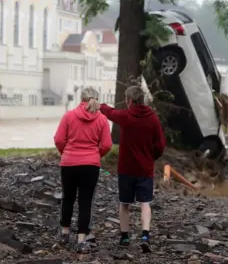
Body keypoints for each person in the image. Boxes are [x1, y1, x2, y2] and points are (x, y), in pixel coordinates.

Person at [100, 86, 166, 253]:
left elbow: (110, 112)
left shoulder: (126, 117)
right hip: (145, 169)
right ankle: (145, 235)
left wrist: (99, 105)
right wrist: (152, 157)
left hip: (126, 168)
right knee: (145, 203)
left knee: (125, 204)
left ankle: (125, 236)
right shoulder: (153, 119)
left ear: (129, 100)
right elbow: (160, 144)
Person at [53, 87, 113, 254]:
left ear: (82, 98)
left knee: (68, 198)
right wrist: (95, 155)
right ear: (96, 99)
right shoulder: (102, 119)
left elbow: (58, 139)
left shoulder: (69, 116)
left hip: (69, 163)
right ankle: (81, 240)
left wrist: (66, 153)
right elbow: (107, 145)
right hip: (90, 165)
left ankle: (64, 233)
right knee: (85, 202)